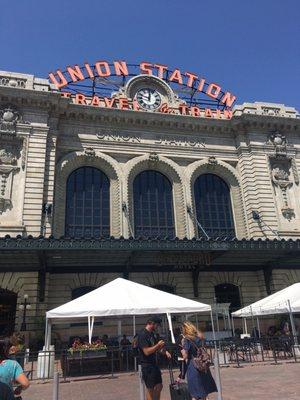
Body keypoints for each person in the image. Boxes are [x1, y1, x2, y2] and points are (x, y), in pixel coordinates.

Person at [181, 321, 217, 400]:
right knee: (203, 392)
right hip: (203, 366)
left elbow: (185, 356)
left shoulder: (187, 339)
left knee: (194, 393)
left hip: (193, 367)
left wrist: (182, 350)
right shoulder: (199, 337)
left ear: (185, 329)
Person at [138, 316, 171, 400]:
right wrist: (158, 345)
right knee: (150, 389)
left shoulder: (152, 334)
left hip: (154, 365)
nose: (157, 327)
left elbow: (156, 348)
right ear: (152, 323)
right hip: (147, 365)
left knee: (159, 386)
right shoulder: (143, 334)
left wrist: (164, 351)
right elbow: (146, 351)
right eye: (157, 325)